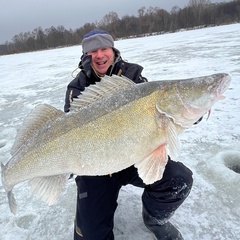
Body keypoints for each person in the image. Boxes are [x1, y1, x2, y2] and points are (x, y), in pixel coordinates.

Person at [64, 29, 193, 240]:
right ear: (85, 55)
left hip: (134, 156)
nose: (99, 55)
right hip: (96, 166)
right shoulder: (76, 87)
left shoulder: (132, 75)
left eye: (104, 48)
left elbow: (157, 110)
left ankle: (154, 219)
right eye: (92, 51)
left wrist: (188, 112)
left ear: (112, 50)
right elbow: (69, 129)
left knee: (179, 179)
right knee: (89, 235)